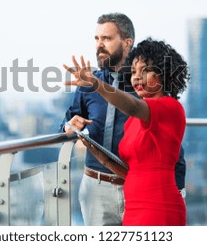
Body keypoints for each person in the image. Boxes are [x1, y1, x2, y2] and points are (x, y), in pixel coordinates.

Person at [59, 13, 186, 226]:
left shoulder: (152, 97)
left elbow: (135, 107)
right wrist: (72, 128)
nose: (99, 45)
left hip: (152, 201)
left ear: (127, 42)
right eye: (97, 39)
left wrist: (179, 187)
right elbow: (68, 123)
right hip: (102, 189)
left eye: (106, 39)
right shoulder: (91, 86)